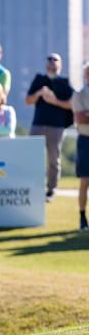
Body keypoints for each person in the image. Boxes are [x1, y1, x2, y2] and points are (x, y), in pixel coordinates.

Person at [26, 53, 75, 201]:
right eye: (50, 59)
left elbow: (71, 104)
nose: (52, 62)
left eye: (55, 60)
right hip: (38, 124)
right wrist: (39, 93)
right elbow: (28, 100)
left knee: (54, 159)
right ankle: (33, 187)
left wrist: (54, 101)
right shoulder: (39, 79)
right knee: (32, 157)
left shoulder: (64, 82)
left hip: (57, 126)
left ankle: (51, 190)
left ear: (60, 64)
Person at [71, 63, 89, 230]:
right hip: (85, 140)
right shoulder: (79, 95)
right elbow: (81, 118)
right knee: (85, 180)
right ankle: (83, 217)